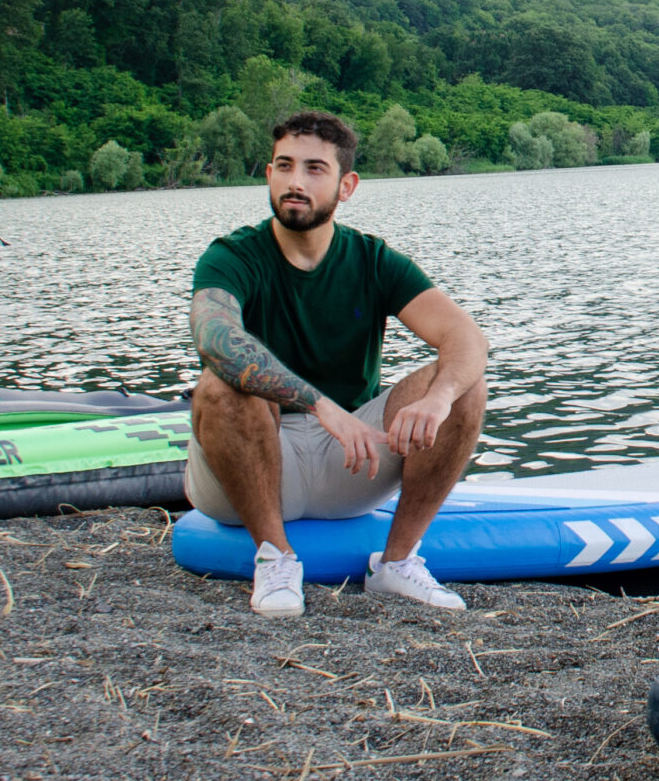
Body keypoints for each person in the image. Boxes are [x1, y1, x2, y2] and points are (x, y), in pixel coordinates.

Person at [187, 110, 488, 617]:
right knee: (221, 385)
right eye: (284, 166)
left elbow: (465, 336)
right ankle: (275, 558)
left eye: (314, 169)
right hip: (249, 465)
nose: (295, 182)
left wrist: (438, 399)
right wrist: (318, 404)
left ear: (346, 185)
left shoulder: (372, 260)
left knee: (465, 386)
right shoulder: (231, 257)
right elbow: (215, 338)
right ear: (268, 175)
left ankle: (396, 564)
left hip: (350, 462)